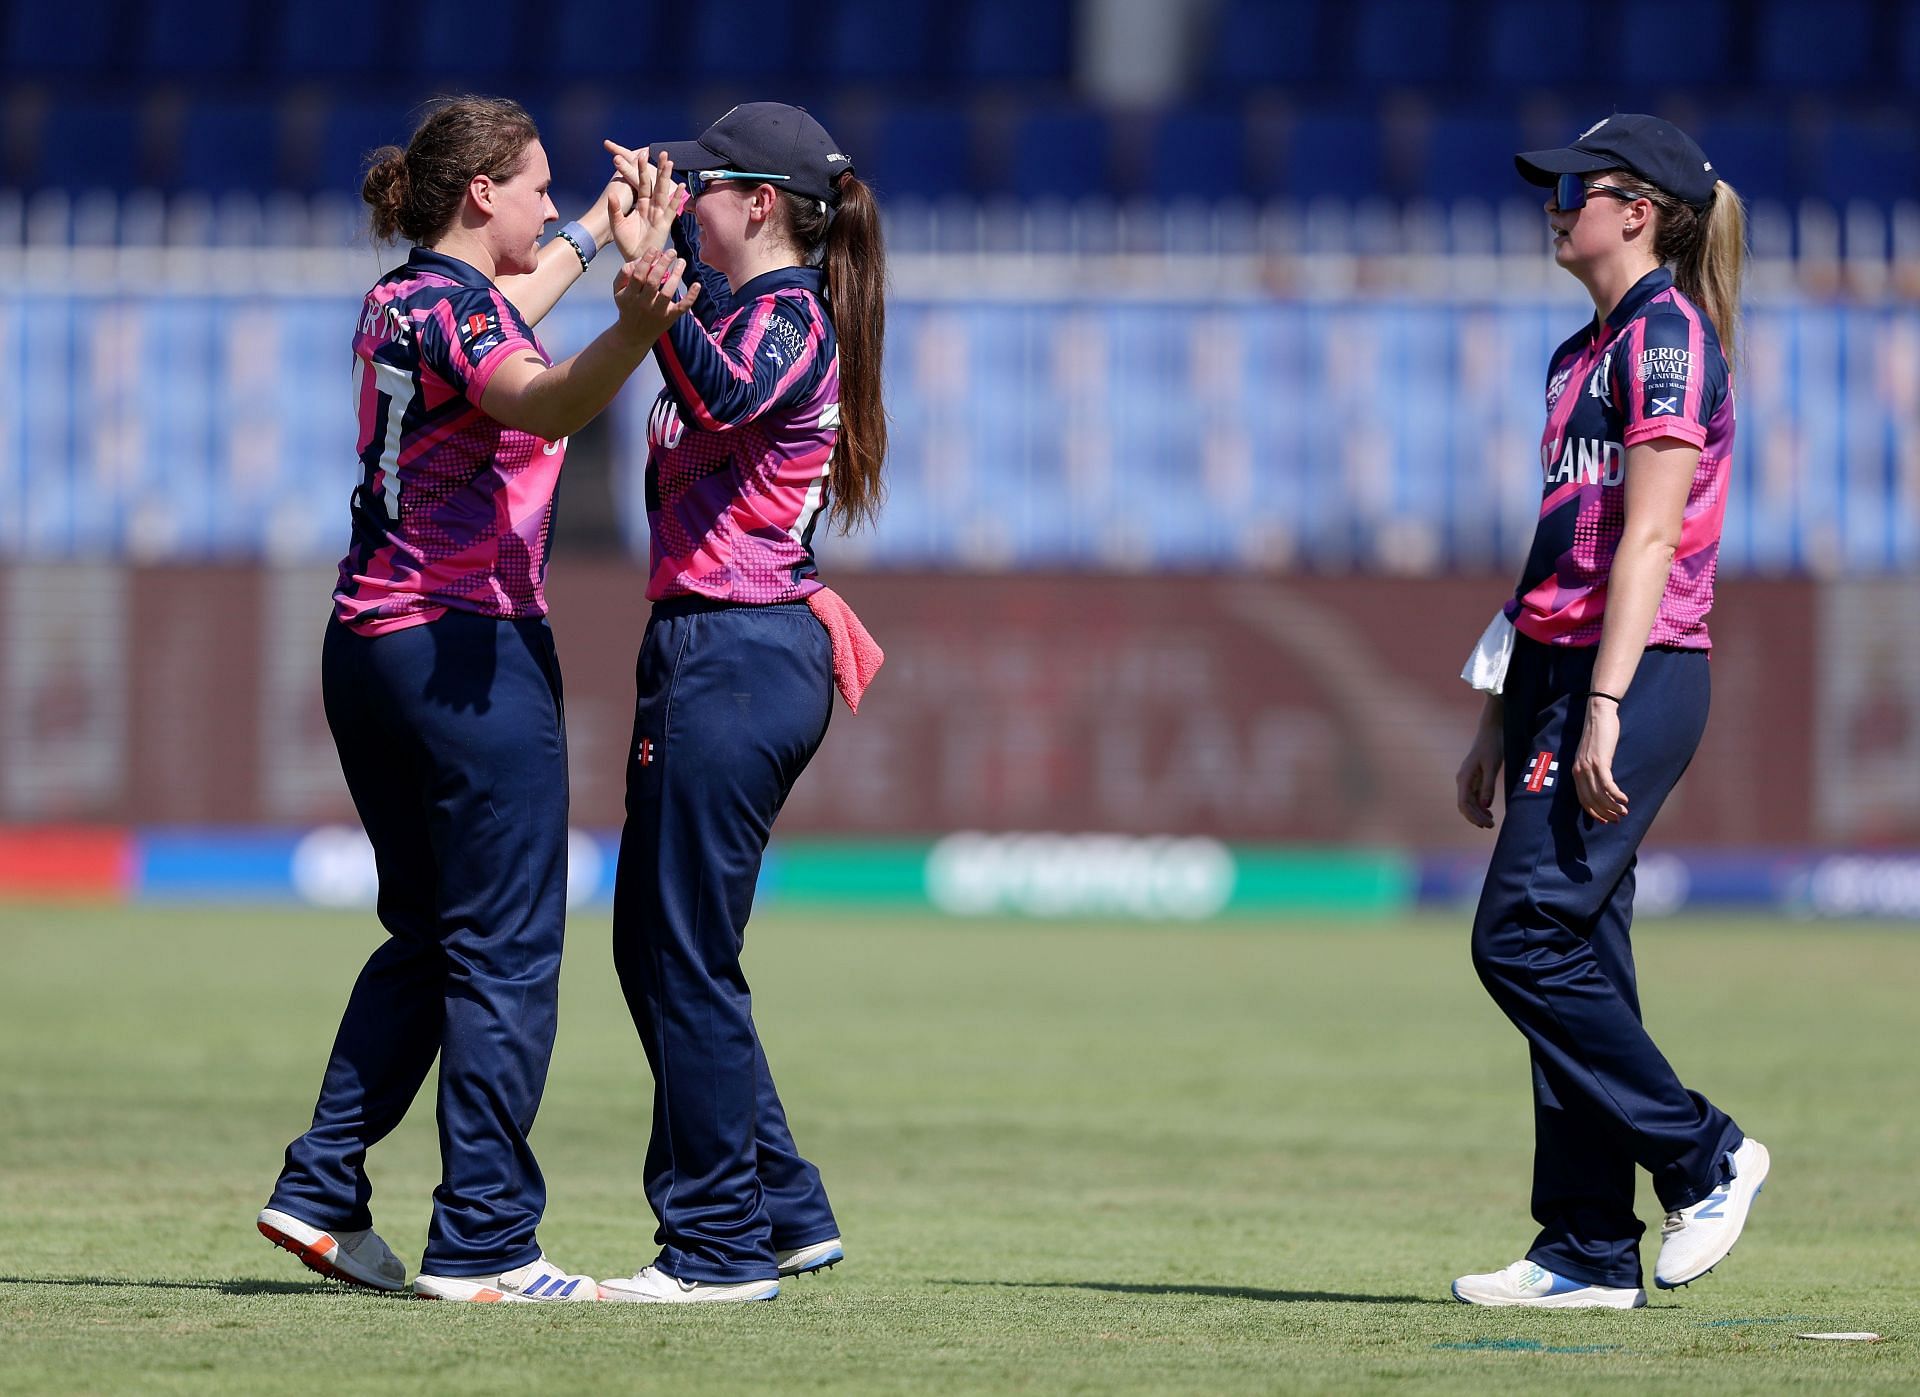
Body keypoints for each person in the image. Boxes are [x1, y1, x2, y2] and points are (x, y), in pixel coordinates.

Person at [257, 95, 694, 1304]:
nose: (556, 204)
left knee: (433, 933)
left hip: (368, 646)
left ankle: (323, 1181)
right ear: (479, 193)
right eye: (541, 184)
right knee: (505, 948)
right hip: (468, 653)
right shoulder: (463, 317)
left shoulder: (401, 298)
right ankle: (487, 1240)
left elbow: (500, 313)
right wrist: (640, 325)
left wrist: (603, 231)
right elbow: (542, 398)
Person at [1449, 114, 1766, 1309]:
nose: (1554, 204)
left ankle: (1706, 1152)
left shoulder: (1668, 339)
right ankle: (1586, 1244)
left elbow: (1647, 538)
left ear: (1638, 210)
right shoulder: (1579, 349)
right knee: (1576, 945)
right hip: (1559, 667)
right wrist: (1502, 704)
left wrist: (1604, 705)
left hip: (1634, 670)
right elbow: (1562, 542)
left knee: (1519, 937)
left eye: (1575, 188)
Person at [591, 102, 888, 1304]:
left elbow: (712, 396)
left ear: (761, 203)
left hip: (743, 645)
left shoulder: (792, 319)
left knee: (684, 952)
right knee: (655, 943)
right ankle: (782, 1204)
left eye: (704, 186)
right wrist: (636, 252)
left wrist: (649, 273)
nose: (686, 199)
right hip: (708, 644)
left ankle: (715, 1247)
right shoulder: (742, 307)